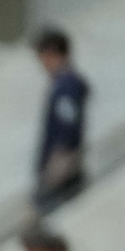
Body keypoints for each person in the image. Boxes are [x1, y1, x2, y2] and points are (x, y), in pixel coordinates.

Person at [32, 26, 89, 213]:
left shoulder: (67, 87)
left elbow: (68, 129)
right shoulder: (64, 84)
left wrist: (54, 170)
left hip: (61, 169)